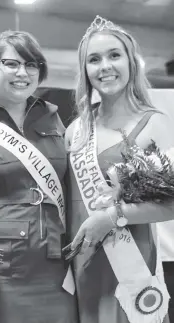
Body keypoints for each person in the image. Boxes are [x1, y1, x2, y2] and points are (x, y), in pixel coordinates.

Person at [0, 30, 78, 323]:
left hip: (54, 266)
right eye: (11, 64)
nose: (22, 73)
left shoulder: (52, 118)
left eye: (32, 65)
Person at [65, 16, 174, 323]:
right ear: (85, 70)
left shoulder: (154, 123)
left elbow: (171, 203)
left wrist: (113, 217)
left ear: (131, 61)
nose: (105, 66)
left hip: (131, 258)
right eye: (94, 59)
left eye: (114, 55)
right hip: (86, 258)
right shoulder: (76, 129)